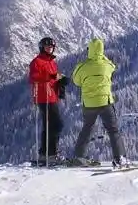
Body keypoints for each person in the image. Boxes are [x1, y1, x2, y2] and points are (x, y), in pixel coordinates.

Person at [71, 38, 128, 167]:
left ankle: (79, 157)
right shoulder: (107, 65)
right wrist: (103, 58)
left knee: (87, 128)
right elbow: (113, 68)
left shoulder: (82, 67)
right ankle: (120, 158)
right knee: (113, 130)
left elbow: (76, 81)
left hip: (89, 104)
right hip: (105, 102)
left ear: (89, 50)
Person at [29, 37, 67, 161]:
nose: (49, 49)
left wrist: (61, 81)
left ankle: (44, 154)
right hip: (43, 97)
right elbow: (34, 77)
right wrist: (51, 76)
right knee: (56, 125)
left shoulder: (51, 62)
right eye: (47, 47)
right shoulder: (37, 61)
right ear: (42, 48)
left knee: (50, 126)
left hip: (52, 96)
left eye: (51, 47)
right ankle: (51, 154)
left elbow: (53, 78)